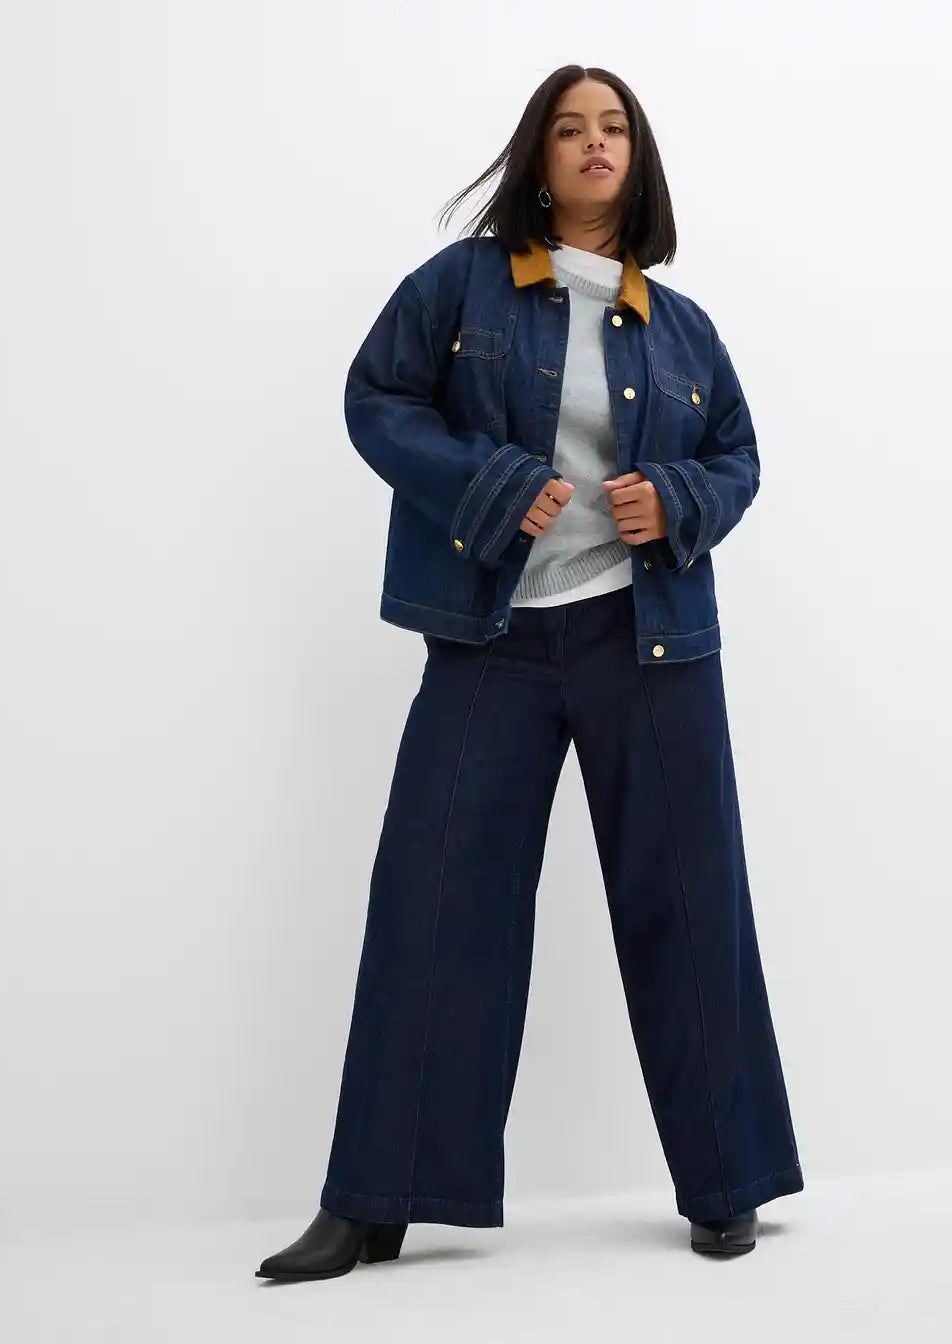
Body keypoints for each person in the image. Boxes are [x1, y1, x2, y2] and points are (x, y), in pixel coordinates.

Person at [256, 63, 803, 1283]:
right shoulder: (460, 287)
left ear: (637, 159)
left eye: (614, 128)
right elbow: (377, 399)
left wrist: (678, 500)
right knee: (433, 902)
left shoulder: (683, 326)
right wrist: (493, 484)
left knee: (689, 907)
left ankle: (729, 1182)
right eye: (570, 128)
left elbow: (739, 457)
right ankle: (373, 1200)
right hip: (489, 640)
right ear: (538, 158)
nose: (594, 143)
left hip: (649, 642)